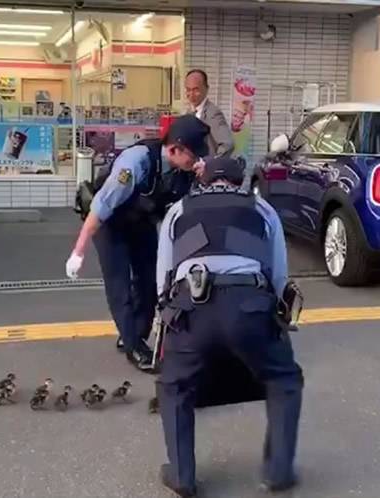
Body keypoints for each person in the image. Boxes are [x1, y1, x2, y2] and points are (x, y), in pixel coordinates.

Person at [155, 156, 304, 497]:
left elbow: (162, 279)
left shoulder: (178, 210)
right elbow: (278, 276)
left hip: (191, 305)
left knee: (175, 387)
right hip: (248, 302)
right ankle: (278, 472)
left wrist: (169, 320)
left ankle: (182, 475)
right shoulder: (261, 209)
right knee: (284, 379)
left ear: (201, 181)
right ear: (241, 182)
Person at [66, 115, 210, 372]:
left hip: (141, 221)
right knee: (119, 283)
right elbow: (100, 209)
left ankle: (134, 334)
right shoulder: (136, 163)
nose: (197, 160)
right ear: (174, 149)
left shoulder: (184, 170)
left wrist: (202, 178)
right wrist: (78, 251)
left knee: (149, 281)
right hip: (111, 223)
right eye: (194, 154)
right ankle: (134, 345)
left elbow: (186, 211)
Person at [185, 69, 234, 158]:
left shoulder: (213, 113)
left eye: (196, 90)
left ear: (206, 89)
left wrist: (211, 165)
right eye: (188, 90)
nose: (191, 94)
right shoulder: (190, 112)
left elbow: (227, 144)